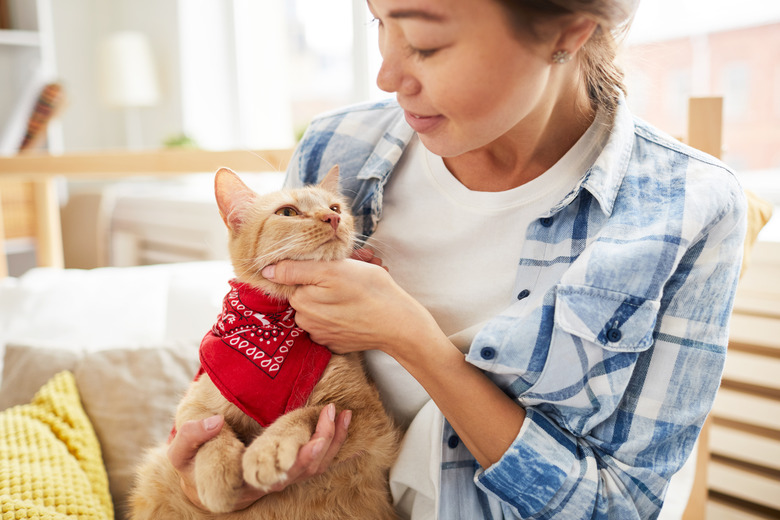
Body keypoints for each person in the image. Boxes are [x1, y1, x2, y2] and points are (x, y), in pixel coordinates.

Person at [168, 0, 748, 518]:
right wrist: (212, 480)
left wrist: (411, 338)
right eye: (379, 22)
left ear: (568, 31)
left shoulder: (686, 207)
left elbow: (615, 507)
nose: (387, 74)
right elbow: (253, 360)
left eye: (425, 43)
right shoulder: (335, 147)